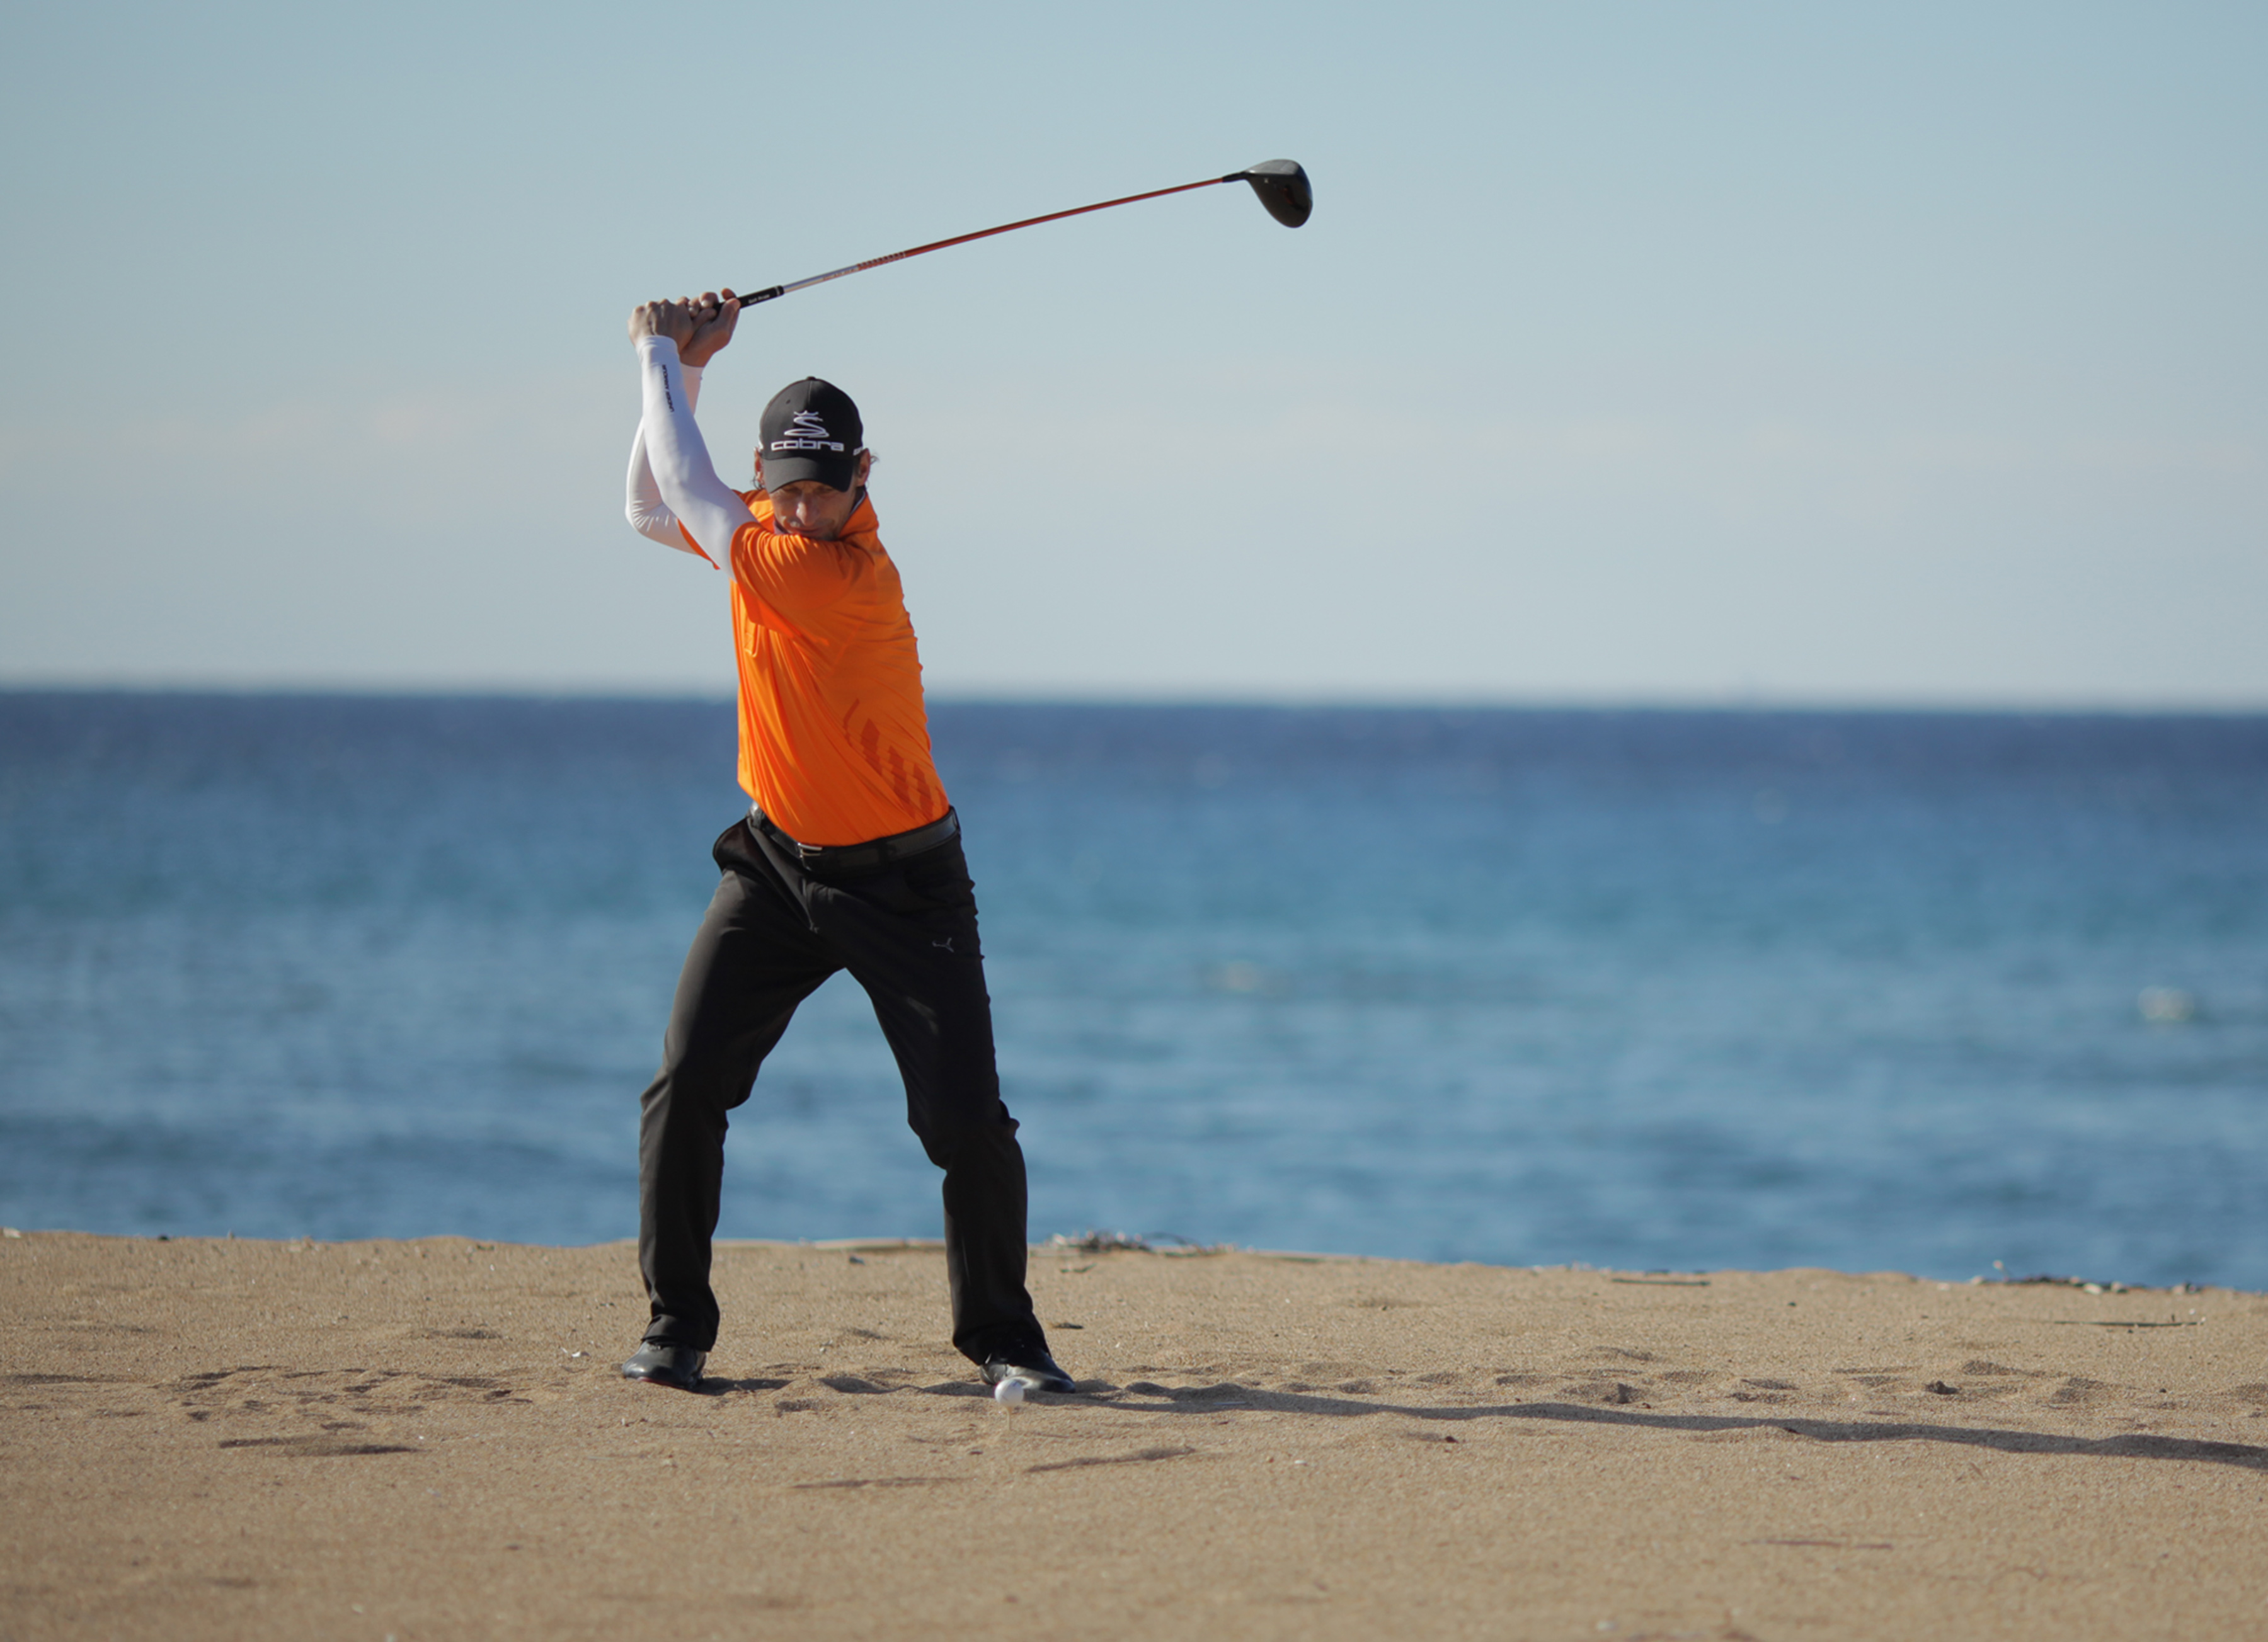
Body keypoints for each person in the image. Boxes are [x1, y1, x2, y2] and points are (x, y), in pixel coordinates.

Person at [616, 290, 1072, 1396]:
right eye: (787, 491)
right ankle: (676, 1327)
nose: (807, 509)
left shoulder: (833, 575)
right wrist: (692, 370)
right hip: (777, 866)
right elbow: (645, 503)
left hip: (908, 879)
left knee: (965, 1121)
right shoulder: (763, 539)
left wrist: (657, 354)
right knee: (686, 1084)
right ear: (766, 485)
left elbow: (680, 483)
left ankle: (1009, 1347)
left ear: (866, 476)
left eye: (826, 489)